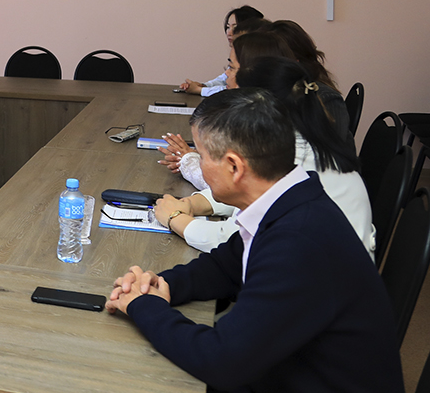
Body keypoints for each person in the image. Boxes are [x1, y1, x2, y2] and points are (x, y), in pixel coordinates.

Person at [106, 88, 410, 393]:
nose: (197, 164)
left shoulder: (299, 243)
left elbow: (223, 361)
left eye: (201, 155)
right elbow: (225, 265)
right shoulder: (290, 200)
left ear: (234, 167)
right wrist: (163, 284)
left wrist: (144, 307)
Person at [155, 56, 375, 255]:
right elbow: (247, 190)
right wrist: (193, 204)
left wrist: (175, 219)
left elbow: (232, 240)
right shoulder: (301, 139)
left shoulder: (295, 159)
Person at [177, 5, 263, 96]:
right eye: (228, 27)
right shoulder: (236, 54)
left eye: (235, 27)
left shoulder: (255, 57)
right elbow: (223, 79)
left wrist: (199, 90)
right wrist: (204, 85)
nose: (229, 33)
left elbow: (233, 89)